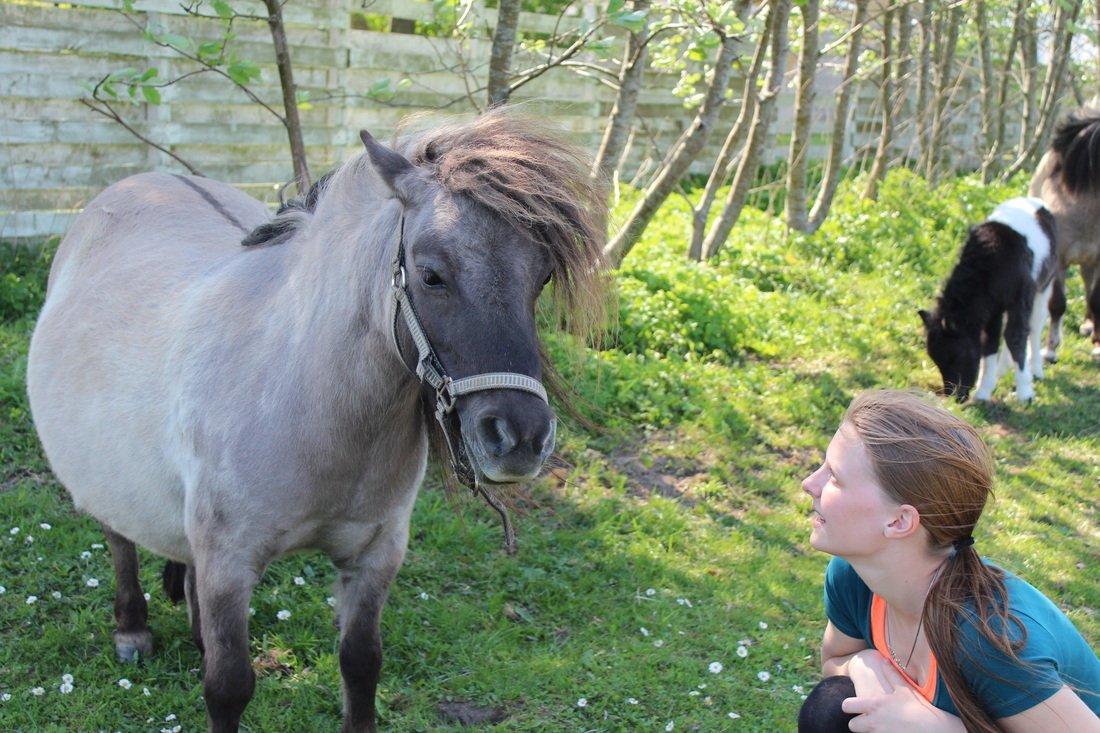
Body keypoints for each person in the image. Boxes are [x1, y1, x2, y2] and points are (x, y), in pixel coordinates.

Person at [797, 390, 1100, 733]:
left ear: (899, 522)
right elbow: (834, 663)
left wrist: (941, 728)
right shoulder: (856, 574)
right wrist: (864, 663)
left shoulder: (988, 639)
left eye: (835, 478)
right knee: (832, 708)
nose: (810, 484)